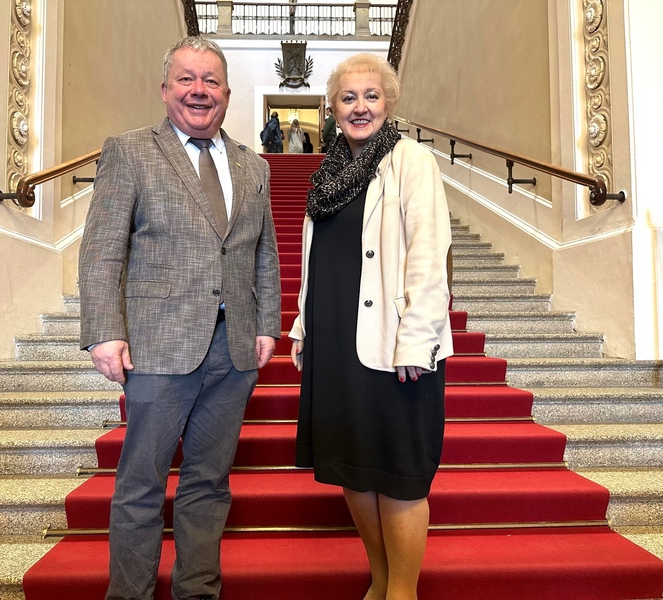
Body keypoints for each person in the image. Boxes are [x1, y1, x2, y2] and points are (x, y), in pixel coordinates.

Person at [79, 36, 281, 600]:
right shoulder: (129, 152)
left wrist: (267, 323)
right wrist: (104, 330)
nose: (199, 91)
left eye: (210, 80)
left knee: (208, 484)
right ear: (166, 89)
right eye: (187, 79)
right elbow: (101, 249)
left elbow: (264, 252)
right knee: (141, 484)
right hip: (157, 347)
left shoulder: (253, 164)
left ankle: (198, 591)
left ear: (227, 93)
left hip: (234, 351)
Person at [289, 53, 453, 600]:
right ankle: (380, 580)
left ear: (389, 102)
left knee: (399, 473)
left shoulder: (411, 161)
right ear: (332, 108)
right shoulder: (327, 173)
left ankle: (402, 592)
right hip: (335, 340)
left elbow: (430, 254)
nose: (360, 107)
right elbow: (316, 260)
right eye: (348, 98)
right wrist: (302, 328)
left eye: (371, 96)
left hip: (393, 341)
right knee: (353, 470)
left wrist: (417, 338)